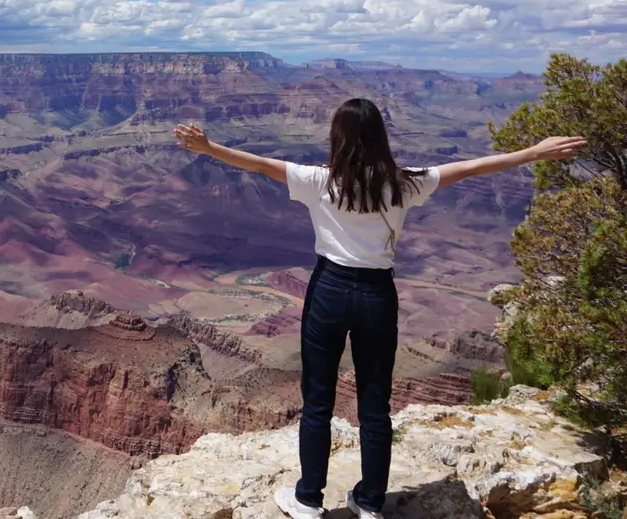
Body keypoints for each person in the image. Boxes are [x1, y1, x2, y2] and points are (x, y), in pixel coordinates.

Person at [173, 98, 586, 519]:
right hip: (376, 296)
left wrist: (209, 148)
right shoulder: (404, 184)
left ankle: (309, 499)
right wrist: (534, 152)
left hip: (329, 291)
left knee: (318, 399)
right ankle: (370, 502)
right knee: (375, 403)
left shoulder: (319, 181)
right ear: (379, 138)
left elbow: (260, 165)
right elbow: (471, 168)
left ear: (338, 137)